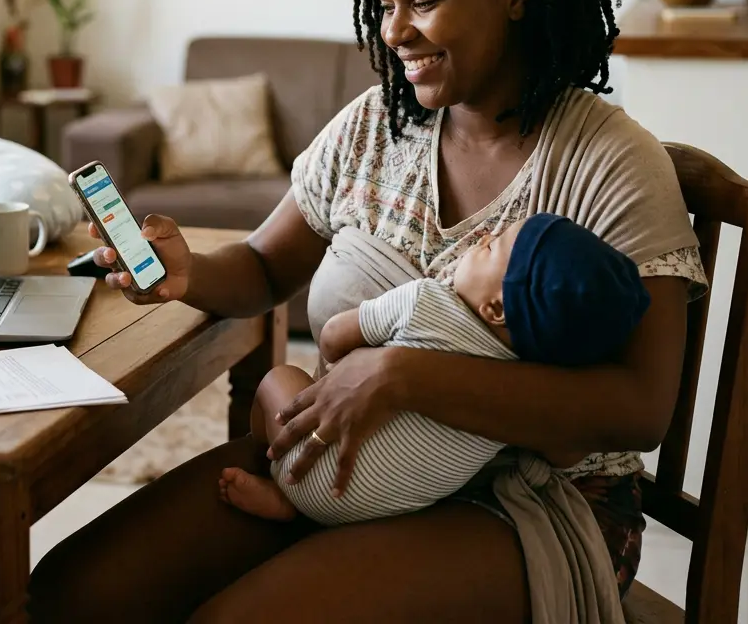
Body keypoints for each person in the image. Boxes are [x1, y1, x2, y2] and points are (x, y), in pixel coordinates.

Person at [29, 0, 708, 623]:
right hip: (348, 458)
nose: (395, 32)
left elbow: (639, 408)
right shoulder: (375, 129)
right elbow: (259, 267)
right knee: (75, 594)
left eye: (422, 0)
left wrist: (399, 376)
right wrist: (182, 273)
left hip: (529, 502)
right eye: (385, 4)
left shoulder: (609, 164)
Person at [219, 214, 651, 526]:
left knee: (277, 380)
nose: (482, 235)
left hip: (317, 473)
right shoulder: (522, 387)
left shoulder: (427, 302)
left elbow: (332, 337)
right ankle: (299, 503)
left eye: (489, 247)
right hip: (389, 509)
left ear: (495, 308)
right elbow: (567, 451)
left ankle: (280, 480)